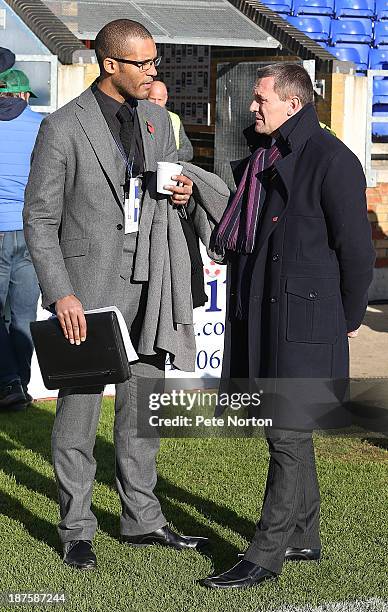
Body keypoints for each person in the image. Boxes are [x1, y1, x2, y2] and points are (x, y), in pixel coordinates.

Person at [23, 18, 229, 571]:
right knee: (79, 415)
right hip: (87, 291)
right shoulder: (62, 127)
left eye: (155, 61)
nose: (153, 72)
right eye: (143, 63)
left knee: (142, 412)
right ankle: (77, 528)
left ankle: (142, 519)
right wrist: (60, 292)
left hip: (154, 283)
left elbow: (169, 189)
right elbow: (39, 220)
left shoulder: (160, 119)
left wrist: (184, 195)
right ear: (109, 64)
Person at [203, 63, 376, 589]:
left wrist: (345, 320)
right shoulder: (266, 155)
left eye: (261, 99)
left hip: (308, 324)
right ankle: (304, 533)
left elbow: (359, 253)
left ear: (293, 104)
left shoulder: (331, 160)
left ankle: (264, 553)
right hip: (266, 316)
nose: (253, 107)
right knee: (288, 434)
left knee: (285, 436)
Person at [0, 67, 42, 409]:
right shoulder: (42, 125)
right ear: (24, 95)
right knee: (24, 314)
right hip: (31, 232)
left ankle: (8, 382)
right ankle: (21, 387)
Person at [148, 80, 193, 161]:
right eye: (152, 99)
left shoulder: (174, 118)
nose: (156, 103)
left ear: (166, 99)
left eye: (160, 99)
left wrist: (168, 157)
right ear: (146, 98)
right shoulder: (140, 116)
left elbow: (188, 152)